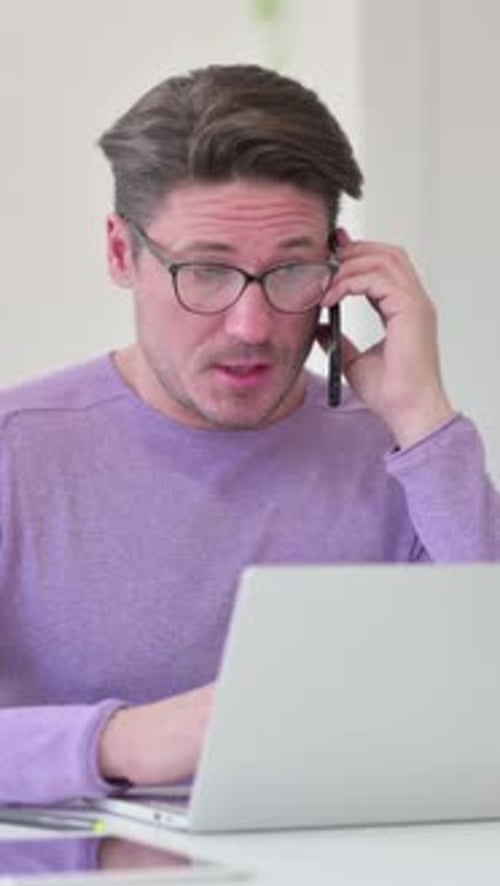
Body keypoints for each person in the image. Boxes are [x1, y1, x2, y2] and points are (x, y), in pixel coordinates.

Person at [0, 64, 499, 807]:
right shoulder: (18, 452)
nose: (251, 325)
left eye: (292, 270)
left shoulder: (403, 458)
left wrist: (425, 421)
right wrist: (131, 741)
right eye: (205, 271)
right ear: (119, 253)